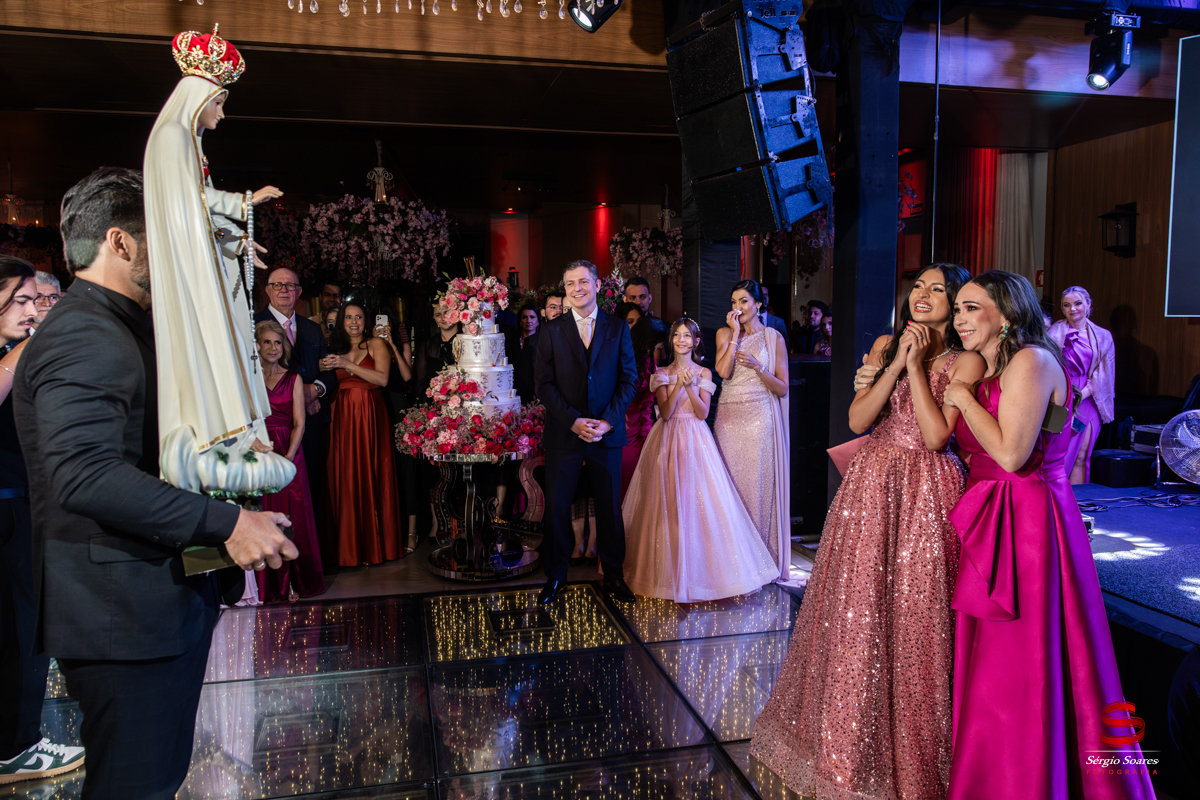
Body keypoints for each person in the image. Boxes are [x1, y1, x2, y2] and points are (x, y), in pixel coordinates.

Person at [14, 167, 295, 799]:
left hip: (147, 604)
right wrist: (228, 522)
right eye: (163, 234)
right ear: (119, 242)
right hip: (122, 613)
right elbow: (84, 474)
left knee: (155, 778)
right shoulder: (85, 330)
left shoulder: (118, 322)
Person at [751, 264, 983, 800]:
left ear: (956, 304)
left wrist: (917, 368)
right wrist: (896, 361)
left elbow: (935, 438)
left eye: (939, 289)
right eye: (919, 286)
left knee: (918, 618)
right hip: (871, 484)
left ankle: (917, 760)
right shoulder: (885, 343)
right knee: (858, 611)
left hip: (926, 490)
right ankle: (849, 749)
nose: (924, 295)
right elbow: (858, 421)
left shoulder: (964, 360)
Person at [941, 270, 1153, 800]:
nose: (960, 318)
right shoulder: (999, 365)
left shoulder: (1031, 361)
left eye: (971, 307)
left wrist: (962, 397)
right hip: (997, 513)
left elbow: (1011, 455)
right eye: (958, 309)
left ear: (1008, 312)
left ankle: (1027, 781)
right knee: (997, 661)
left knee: (1022, 659)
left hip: (1027, 520)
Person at [144, 25, 289, 496]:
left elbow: (198, 210)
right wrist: (245, 201)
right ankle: (218, 436)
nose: (221, 114)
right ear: (199, 96)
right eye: (219, 102)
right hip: (191, 270)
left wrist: (236, 242)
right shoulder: (173, 137)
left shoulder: (185, 140)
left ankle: (233, 432)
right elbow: (189, 204)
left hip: (205, 256)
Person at [0, 258, 85, 785]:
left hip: (26, 505)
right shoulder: (15, 354)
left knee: (22, 631)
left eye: (38, 300)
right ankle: (16, 748)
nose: (33, 311)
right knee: (17, 631)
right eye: (22, 300)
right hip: (8, 508)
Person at [623, 318, 778, 603]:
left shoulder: (704, 372)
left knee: (699, 501)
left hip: (696, 439)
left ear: (695, 342)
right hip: (667, 438)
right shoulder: (661, 373)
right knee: (668, 501)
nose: (681, 340)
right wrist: (678, 386)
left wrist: (691, 387)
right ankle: (667, 574)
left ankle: (701, 574)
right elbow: (666, 413)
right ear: (671, 340)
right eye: (677, 335)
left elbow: (703, 413)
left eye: (687, 336)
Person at [535, 260, 638, 604]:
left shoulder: (618, 328)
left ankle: (614, 576)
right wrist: (573, 421)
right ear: (564, 290)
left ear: (597, 285)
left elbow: (629, 380)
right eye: (570, 284)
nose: (576, 288)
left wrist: (607, 421)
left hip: (606, 433)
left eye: (582, 282)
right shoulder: (551, 330)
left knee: (610, 508)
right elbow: (544, 385)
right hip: (565, 433)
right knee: (557, 507)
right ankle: (555, 576)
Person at [254, 268, 339, 566]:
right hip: (267, 431)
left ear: (299, 292)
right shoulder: (251, 324)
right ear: (267, 290)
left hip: (310, 425)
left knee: (309, 493)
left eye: (290, 285)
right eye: (277, 285)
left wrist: (314, 390)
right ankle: (271, 566)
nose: (284, 290)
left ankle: (307, 563)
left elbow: (329, 374)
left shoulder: (312, 328)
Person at [713, 279, 793, 582]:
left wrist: (760, 367)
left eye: (744, 301)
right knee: (727, 488)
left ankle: (759, 563)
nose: (738, 307)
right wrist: (735, 335)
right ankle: (732, 563)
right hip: (728, 419)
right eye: (734, 302)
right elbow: (723, 372)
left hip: (760, 420)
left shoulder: (773, 338)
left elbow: (782, 388)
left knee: (756, 490)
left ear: (758, 304)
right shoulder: (725, 334)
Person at [321, 303, 403, 567]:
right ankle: (347, 549)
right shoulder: (333, 348)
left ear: (366, 320)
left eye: (358, 317)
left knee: (372, 472)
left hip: (369, 414)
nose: (353, 321)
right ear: (341, 321)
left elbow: (382, 379)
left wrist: (346, 364)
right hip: (340, 416)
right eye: (348, 317)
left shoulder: (375, 344)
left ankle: (374, 546)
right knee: (344, 475)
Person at [253, 321, 326, 601]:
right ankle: (267, 584)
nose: (273, 348)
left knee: (294, 515)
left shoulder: (293, 378)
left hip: (288, 449)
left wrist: (288, 459)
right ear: (257, 346)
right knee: (263, 513)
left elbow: (299, 423)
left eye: (278, 342)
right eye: (267, 342)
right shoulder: (249, 378)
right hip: (259, 451)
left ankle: (296, 580)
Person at [1048, 285, 1115, 484]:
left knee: (1081, 455)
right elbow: (1046, 367)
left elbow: (1104, 373)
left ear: (1088, 304)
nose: (1072, 309)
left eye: (1078, 303)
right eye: (1066, 305)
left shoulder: (1103, 336)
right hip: (1059, 396)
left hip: (1088, 397)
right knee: (1054, 454)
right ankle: (1054, 496)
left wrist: (1081, 395)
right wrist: (1066, 395)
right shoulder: (1053, 332)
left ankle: (1079, 499)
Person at [373, 311, 419, 552]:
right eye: (378, 323)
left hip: (399, 409)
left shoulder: (400, 347)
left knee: (406, 470)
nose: (382, 327)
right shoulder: (368, 347)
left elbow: (407, 376)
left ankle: (411, 532)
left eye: (386, 323)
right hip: (376, 408)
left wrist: (392, 344)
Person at [619, 304, 660, 498]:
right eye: (630, 322)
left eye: (638, 322)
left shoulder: (649, 357)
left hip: (645, 424)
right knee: (626, 479)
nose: (635, 326)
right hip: (625, 424)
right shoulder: (617, 355)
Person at [510, 302, 540, 403]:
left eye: (532, 317)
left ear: (538, 321)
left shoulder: (543, 341)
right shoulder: (512, 341)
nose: (528, 321)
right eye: (524, 317)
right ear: (520, 321)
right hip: (514, 392)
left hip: (536, 393)